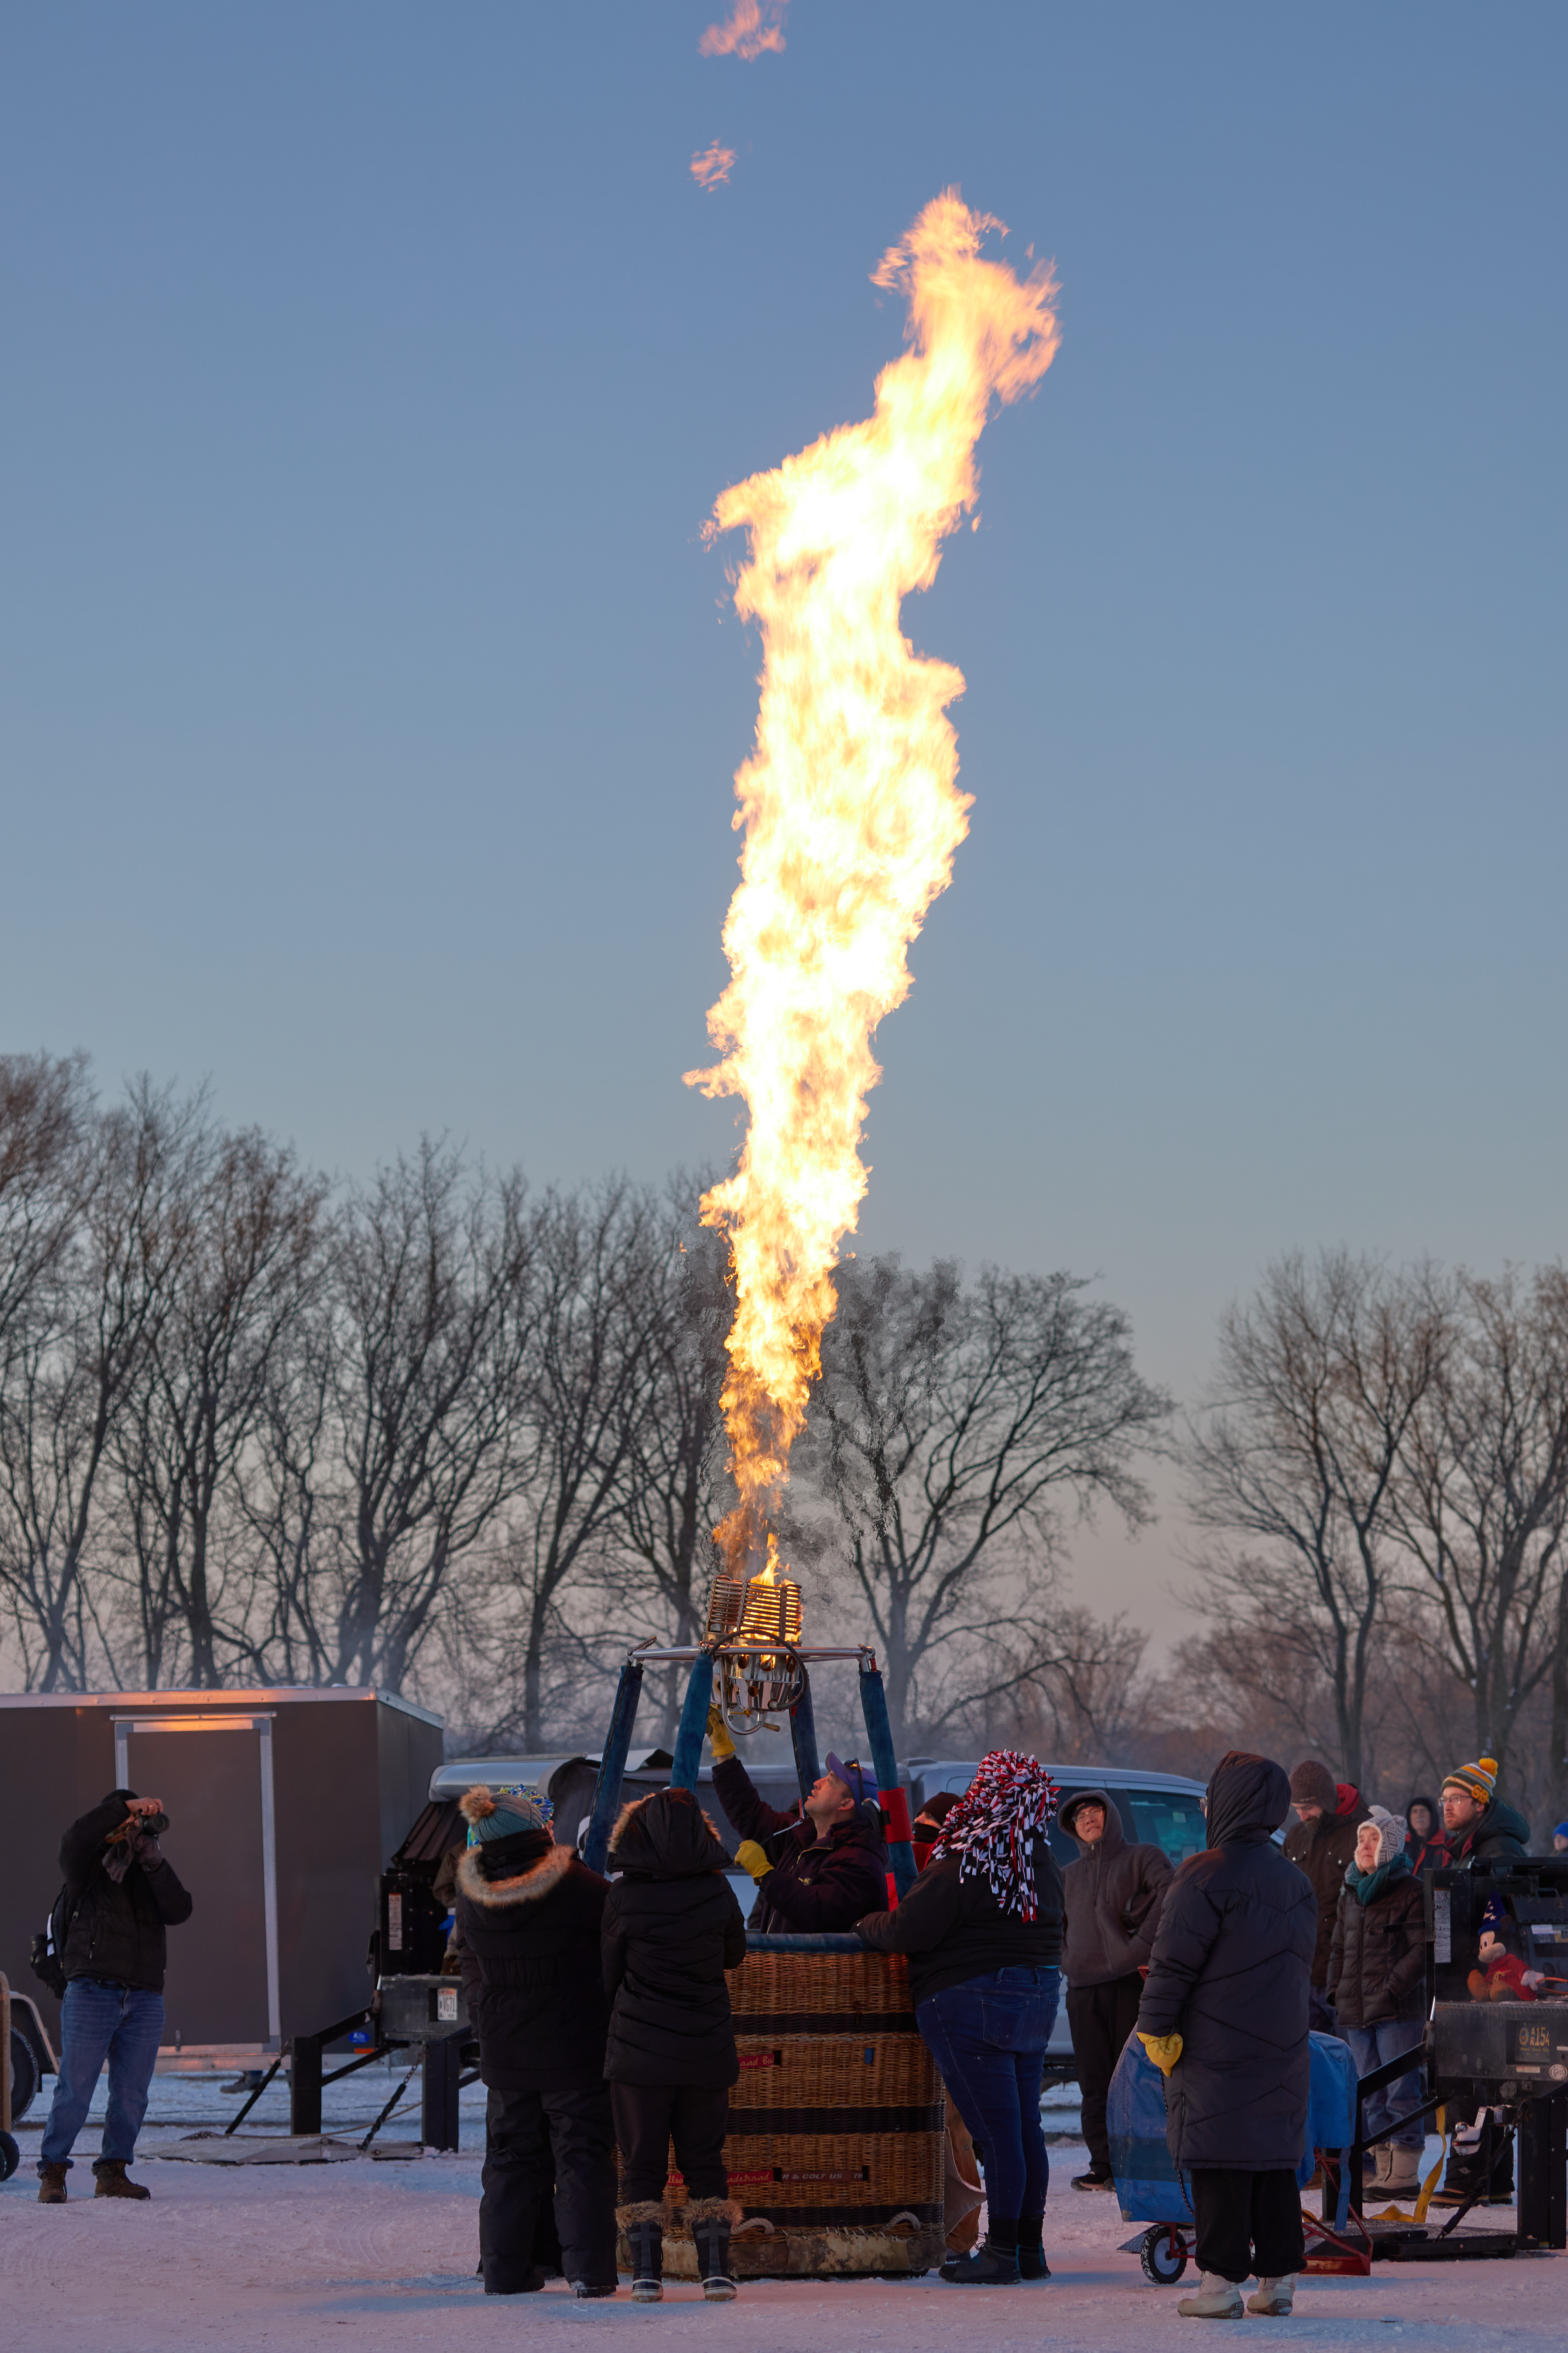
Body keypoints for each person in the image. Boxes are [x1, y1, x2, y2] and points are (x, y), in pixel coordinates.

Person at [856, 1749, 1063, 2287]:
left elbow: (909, 1928)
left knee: (996, 2137)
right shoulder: (1036, 1857)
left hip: (971, 2002)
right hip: (1035, 1998)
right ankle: (1027, 2247)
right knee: (1023, 2130)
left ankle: (999, 2253)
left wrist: (868, 1924)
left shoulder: (971, 1856)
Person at [1136, 1750, 1315, 2320]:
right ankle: (1278, 2281)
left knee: (1219, 2161)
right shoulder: (1296, 1880)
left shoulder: (1204, 1873)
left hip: (1215, 2046)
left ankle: (1217, 2284)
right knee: (1270, 2162)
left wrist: (1155, 2029)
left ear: (1230, 1802)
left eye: (1210, 1798)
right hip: (1282, 2046)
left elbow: (1171, 1966)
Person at [455, 1786, 616, 2299]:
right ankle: (589, 2272)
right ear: (534, 1832)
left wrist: (483, 2014)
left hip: (504, 2045)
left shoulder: (472, 1890)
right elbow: (618, 1938)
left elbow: (470, 1961)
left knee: (509, 2157)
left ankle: (504, 2272)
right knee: (581, 2155)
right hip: (573, 2044)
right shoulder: (577, 1885)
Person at [603, 1787, 748, 2304]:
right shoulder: (717, 1893)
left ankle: (646, 2273)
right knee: (704, 2160)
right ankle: (715, 2271)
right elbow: (734, 1955)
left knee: (641, 2162)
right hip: (705, 2051)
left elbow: (608, 1973)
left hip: (639, 2053)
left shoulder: (623, 1895)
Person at [36, 1790, 192, 2203]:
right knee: (76, 2088)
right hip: (92, 1989)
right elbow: (74, 1838)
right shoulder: (86, 1867)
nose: (134, 1833)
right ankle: (53, 2171)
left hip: (143, 1995)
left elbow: (180, 1910)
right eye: (128, 1823)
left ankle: (113, 2171)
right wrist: (125, 1809)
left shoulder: (147, 1871)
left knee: (132, 2093)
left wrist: (154, 1860)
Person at [1057, 1788, 1173, 2193]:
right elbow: (1055, 1926)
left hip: (1131, 1984)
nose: (1088, 1819)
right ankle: (1103, 2166)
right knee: (1094, 2081)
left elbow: (1170, 1896)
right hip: (1083, 1989)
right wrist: (1067, 1959)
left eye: (1095, 1811)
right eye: (1080, 1816)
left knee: (1138, 2077)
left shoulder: (1142, 1858)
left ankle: (1144, 2162)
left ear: (1111, 1816)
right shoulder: (1067, 1875)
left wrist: (1137, 1948)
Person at [1430, 1756, 1531, 2208]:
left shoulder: (1497, 1851)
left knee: (1470, 2073)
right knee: (1483, 2077)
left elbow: (1504, 1918)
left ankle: (1469, 2177)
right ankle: (1492, 2179)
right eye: (1443, 1799)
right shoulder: (1473, 1846)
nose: (1446, 1807)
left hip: (1489, 1984)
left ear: (1479, 1801)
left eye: (1455, 1799)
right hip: (1473, 1978)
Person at [706, 1709, 888, 1931]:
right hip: (782, 1965)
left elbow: (817, 1911)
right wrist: (724, 1751)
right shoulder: (801, 1836)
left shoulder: (860, 1864)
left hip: (816, 1967)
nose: (817, 1783)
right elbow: (749, 1813)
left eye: (830, 1781)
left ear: (846, 1805)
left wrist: (766, 1875)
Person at [1326, 1806, 1425, 2200]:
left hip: (1395, 2010)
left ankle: (1404, 2172)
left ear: (1391, 1845)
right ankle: (1382, 2168)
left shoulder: (1411, 1889)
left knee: (1401, 2089)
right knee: (1368, 2093)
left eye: (1374, 1839)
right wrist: (1335, 1990)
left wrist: (1390, 1989)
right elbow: (1337, 1946)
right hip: (1354, 2010)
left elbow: (1420, 1952)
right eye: (1361, 1839)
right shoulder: (1350, 1889)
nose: (1365, 1846)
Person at [1282, 1759, 1371, 2035]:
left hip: (1347, 1975)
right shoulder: (1295, 1837)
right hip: (1304, 1973)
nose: (1302, 1816)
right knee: (1313, 2064)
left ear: (1326, 1800)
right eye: (1297, 1809)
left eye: (1307, 1808)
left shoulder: (1365, 1833)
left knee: (1351, 2062)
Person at [912, 1789, 961, 1870]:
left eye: (931, 1817)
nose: (917, 1820)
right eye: (920, 1814)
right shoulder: (892, 1878)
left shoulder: (945, 1876)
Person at [1404, 1796, 1449, 1875]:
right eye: (1415, 1812)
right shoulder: (1402, 1845)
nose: (1419, 1815)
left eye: (1423, 1811)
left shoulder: (1448, 1845)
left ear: (1432, 1816)